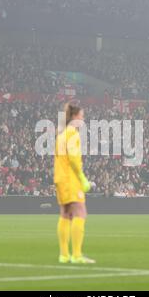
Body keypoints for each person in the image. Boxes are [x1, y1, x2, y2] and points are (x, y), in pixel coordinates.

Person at [54, 103, 95, 264]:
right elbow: (74, 159)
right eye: (82, 116)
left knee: (65, 215)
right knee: (80, 213)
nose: (83, 119)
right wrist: (82, 177)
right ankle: (77, 255)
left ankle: (64, 255)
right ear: (75, 117)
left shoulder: (61, 135)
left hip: (60, 179)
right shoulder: (73, 134)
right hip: (71, 180)